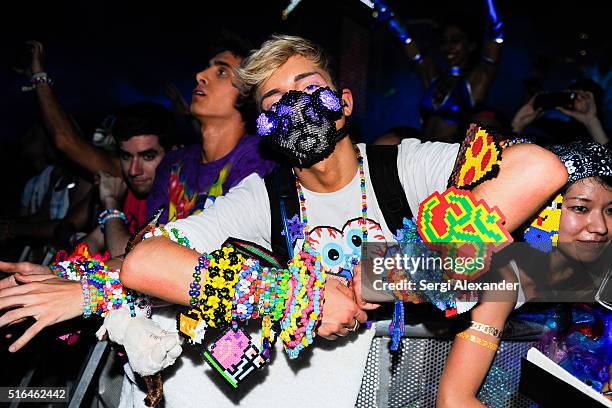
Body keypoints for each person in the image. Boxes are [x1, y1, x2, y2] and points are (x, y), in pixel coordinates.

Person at [0, 35, 567, 407]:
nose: (292, 104)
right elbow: (148, 260)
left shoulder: (405, 165)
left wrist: (381, 278)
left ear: (344, 104)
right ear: (263, 127)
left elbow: (537, 168)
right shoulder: (262, 195)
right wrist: (299, 301)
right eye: (273, 100)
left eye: (308, 88)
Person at [438, 141, 612, 404]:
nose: (599, 226)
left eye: (611, 210)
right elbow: (454, 399)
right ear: (546, 209)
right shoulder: (500, 278)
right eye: (580, 208)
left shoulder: (602, 276)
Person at [146, 34, 275, 224]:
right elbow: (151, 236)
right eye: (207, 67)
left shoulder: (257, 158)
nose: (200, 75)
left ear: (247, 92)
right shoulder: (174, 162)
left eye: (222, 72)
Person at [371, 0, 505, 143]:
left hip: (450, 158)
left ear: (471, 45)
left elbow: (496, 32)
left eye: (455, 40)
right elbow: (407, 41)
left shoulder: (476, 82)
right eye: (444, 41)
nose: (448, 47)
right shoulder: (433, 78)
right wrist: (390, 16)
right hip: (422, 153)